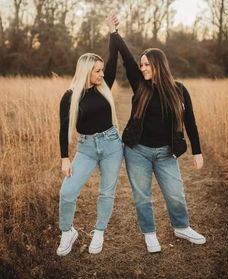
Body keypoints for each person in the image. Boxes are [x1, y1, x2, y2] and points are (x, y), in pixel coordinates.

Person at [107, 15, 206, 253]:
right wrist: (113, 32)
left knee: (175, 194)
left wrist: (197, 151)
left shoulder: (179, 90)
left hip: (165, 153)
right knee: (142, 197)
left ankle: (181, 227)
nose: (142, 68)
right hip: (137, 152)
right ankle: (150, 234)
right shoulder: (139, 83)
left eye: (146, 65)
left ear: (158, 65)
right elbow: (124, 53)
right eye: (140, 65)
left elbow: (189, 121)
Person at [57, 22, 123, 256]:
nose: (102, 74)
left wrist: (113, 32)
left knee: (107, 192)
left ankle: (99, 231)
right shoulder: (69, 97)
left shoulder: (104, 85)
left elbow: (113, 57)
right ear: (86, 71)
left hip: (112, 145)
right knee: (67, 192)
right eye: (97, 71)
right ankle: (67, 232)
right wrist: (65, 158)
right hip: (85, 149)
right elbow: (64, 129)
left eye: (102, 70)